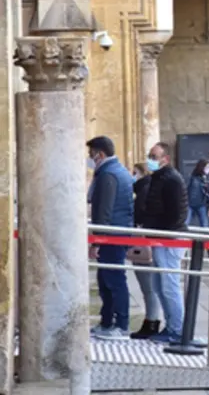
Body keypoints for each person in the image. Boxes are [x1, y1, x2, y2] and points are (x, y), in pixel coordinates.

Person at [88, 136, 133, 340]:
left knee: (114, 280)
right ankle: (107, 321)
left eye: (91, 154)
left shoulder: (108, 175)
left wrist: (97, 240)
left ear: (101, 154)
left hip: (112, 235)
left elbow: (104, 211)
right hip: (118, 232)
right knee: (106, 280)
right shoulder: (118, 170)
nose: (90, 159)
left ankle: (121, 324)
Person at [143, 142, 188, 344]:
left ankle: (177, 329)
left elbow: (177, 213)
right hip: (160, 237)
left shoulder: (171, 179)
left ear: (165, 159)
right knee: (160, 285)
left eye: (154, 156)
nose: (150, 159)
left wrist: (163, 232)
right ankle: (171, 326)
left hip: (169, 238)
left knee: (169, 285)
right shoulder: (158, 178)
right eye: (150, 155)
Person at [129, 161, 164, 340]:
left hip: (144, 244)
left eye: (133, 172)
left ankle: (152, 321)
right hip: (149, 242)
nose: (131, 175)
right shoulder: (147, 189)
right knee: (151, 286)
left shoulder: (144, 191)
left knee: (148, 286)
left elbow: (141, 215)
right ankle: (152, 320)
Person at [187, 159, 209, 227]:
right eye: (207, 167)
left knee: (204, 224)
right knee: (203, 224)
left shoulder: (203, 178)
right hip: (196, 204)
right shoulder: (197, 179)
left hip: (199, 204)